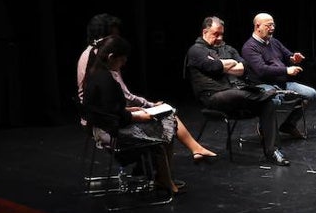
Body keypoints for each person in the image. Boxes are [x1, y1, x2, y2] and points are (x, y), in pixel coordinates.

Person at [77, 13, 216, 161]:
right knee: (167, 120)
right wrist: (147, 107)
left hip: (96, 116)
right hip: (104, 122)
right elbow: (124, 96)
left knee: (165, 116)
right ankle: (161, 177)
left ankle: (174, 165)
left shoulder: (89, 54)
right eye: (114, 36)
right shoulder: (102, 61)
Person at [81, 35, 182, 194]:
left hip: (103, 128)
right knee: (166, 129)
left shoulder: (95, 73)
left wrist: (131, 110)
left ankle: (162, 177)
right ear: (111, 57)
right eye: (121, 60)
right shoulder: (106, 79)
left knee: (166, 123)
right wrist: (137, 116)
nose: (124, 63)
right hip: (111, 133)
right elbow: (114, 115)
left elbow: (108, 109)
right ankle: (164, 180)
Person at [185, 16, 290, 166]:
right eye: (216, 34)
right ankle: (269, 93)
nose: (220, 38)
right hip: (212, 97)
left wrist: (224, 64)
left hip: (236, 95)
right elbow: (214, 67)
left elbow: (244, 67)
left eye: (222, 34)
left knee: (268, 104)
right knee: (250, 94)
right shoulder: (196, 50)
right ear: (205, 32)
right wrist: (229, 64)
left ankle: (272, 151)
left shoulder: (227, 48)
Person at [240, 12, 316, 138]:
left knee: (311, 94)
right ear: (257, 26)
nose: (272, 28)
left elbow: (288, 55)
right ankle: (264, 126)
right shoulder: (249, 47)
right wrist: (286, 70)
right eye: (268, 26)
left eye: (273, 25)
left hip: (282, 84)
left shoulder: (274, 42)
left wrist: (294, 59)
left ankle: (289, 125)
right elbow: (261, 70)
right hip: (262, 85)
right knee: (274, 100)